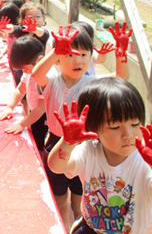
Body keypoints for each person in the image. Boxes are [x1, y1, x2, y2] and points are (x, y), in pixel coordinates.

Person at [48, 77, 152, 233]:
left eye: (134, 124)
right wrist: (68, 142)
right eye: (114, 127)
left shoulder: (145, 163)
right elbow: (56, 167)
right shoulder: (89, 151)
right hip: (89, 230)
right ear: (93, 128)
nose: (128, 135)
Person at [31, 22, 131, 232]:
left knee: (81, 197)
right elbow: (36, 76)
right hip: (56, 144)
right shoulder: (53, 81)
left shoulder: (92, 84)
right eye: (70, 54)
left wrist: (121, 52)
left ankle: (79, 220)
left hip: (84, 148)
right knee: (59, 197)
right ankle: (64, 227)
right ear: (58, 57)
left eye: (84, 55)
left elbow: (120, 77)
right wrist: (55, 52)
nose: (78, 60)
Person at [0, 36, 47, 157]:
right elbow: (20, 89)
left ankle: (44, 166)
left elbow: (41, 108)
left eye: (25, 68)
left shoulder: (46, 78)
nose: (24, 72)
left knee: (41, 145)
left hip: (46, 118)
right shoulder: (30, 72)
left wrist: (22, 124)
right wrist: (10, 107)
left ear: (39, 60)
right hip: (35, 113)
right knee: (36, 138)